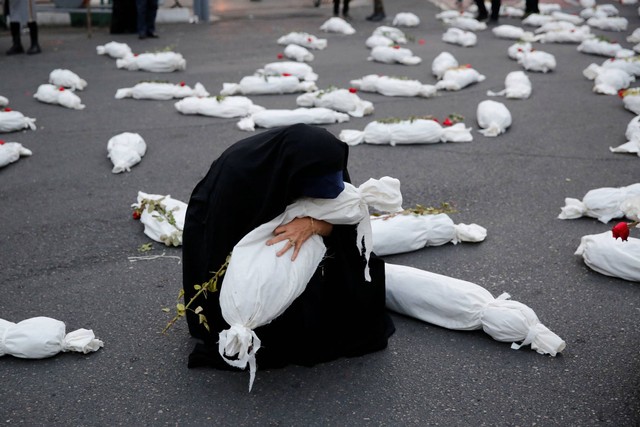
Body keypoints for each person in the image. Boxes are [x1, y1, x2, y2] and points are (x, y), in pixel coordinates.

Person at [183, 123, 395, 370]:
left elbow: (345, 223)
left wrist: (314, 224)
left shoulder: (325, 159)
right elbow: (221, 247)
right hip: (226, 227)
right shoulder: (240, 176)